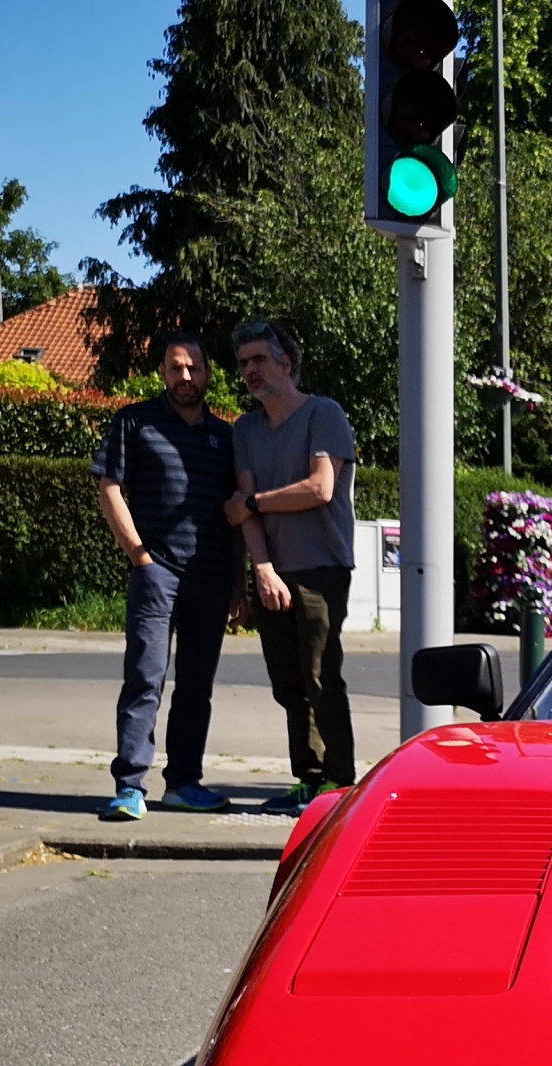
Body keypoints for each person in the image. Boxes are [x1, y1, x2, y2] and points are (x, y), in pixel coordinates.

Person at [90, 330, 241, 820]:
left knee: (197, 686)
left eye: (193, 368)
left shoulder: (226, 437)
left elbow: (235, 512)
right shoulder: (135, 422)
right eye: (176, 367)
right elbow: (109, 486)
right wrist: (139, 556)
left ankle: (183, 783)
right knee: (144, 678)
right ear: (162, 372)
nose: (185, 376)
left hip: (212, 577)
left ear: (208, 374)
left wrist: (238, 582)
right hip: (157, 573)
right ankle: (130, 785)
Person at [224, 319, 357, 812]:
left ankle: (339, 782)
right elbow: (241, 505)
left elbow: (320, 488)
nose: (250, 371)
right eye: (243, 364)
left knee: (322, 676)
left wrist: (255, 503)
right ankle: (308, 778)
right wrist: (262, 569)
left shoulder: (324, 414)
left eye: (258, 360)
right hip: (275, 573)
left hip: (322, 568)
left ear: (286, 363)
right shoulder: (245, 430)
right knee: (288, 683)